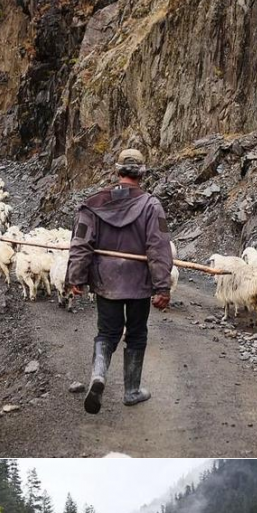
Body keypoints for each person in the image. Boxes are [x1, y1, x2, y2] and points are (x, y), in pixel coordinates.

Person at [65, 145, 173, 414]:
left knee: (107, 333)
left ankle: (98, 376)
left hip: (106, 282)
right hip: (139, 285)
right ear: (142, 173)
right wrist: (162, 287)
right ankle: (132, 391)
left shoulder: (92, 205)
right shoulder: (151, 206)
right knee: (136, 335)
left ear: (118, 171)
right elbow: (158, 247)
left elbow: (80, 243)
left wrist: (75, 277)